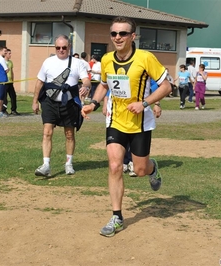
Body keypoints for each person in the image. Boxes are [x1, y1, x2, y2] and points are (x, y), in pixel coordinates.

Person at [81, 16, 171, 237]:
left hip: (140, 123)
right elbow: (103, 84)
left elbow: (167, 86)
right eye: (114, 33)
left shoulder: (145, 58)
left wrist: (145, 103)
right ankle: (117, 217)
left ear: (133, 36)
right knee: (115, 166)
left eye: (122, 33)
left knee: (139, 170)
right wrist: (93, 103)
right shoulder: (106, 59)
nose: (117, 38)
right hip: (116, 120)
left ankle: (152, 168)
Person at [32, 35, 91, 176]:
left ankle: (68, 163)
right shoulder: (48, 62)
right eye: (58, 47)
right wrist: (35, 101)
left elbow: (86, 80)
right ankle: (46, 165)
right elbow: (39, 82)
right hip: (49, 102)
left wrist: (85, 87)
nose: (61, 50)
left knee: (69, 134)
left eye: (64, 47)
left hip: (69, 103)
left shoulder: (77, 63)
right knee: (47, 132)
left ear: (69, 47)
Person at [2, 49, 20, 115]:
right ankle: (3, 110)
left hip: (10, 82)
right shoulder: (2, 62)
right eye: (9, 53)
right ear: (5, 54)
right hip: (4, 82)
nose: (10, 55)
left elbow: (11, 72)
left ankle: (13, 110)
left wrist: (12, 80)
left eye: (10, 53)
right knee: (4, 97)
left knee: (13, 96)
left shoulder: (10, 62)